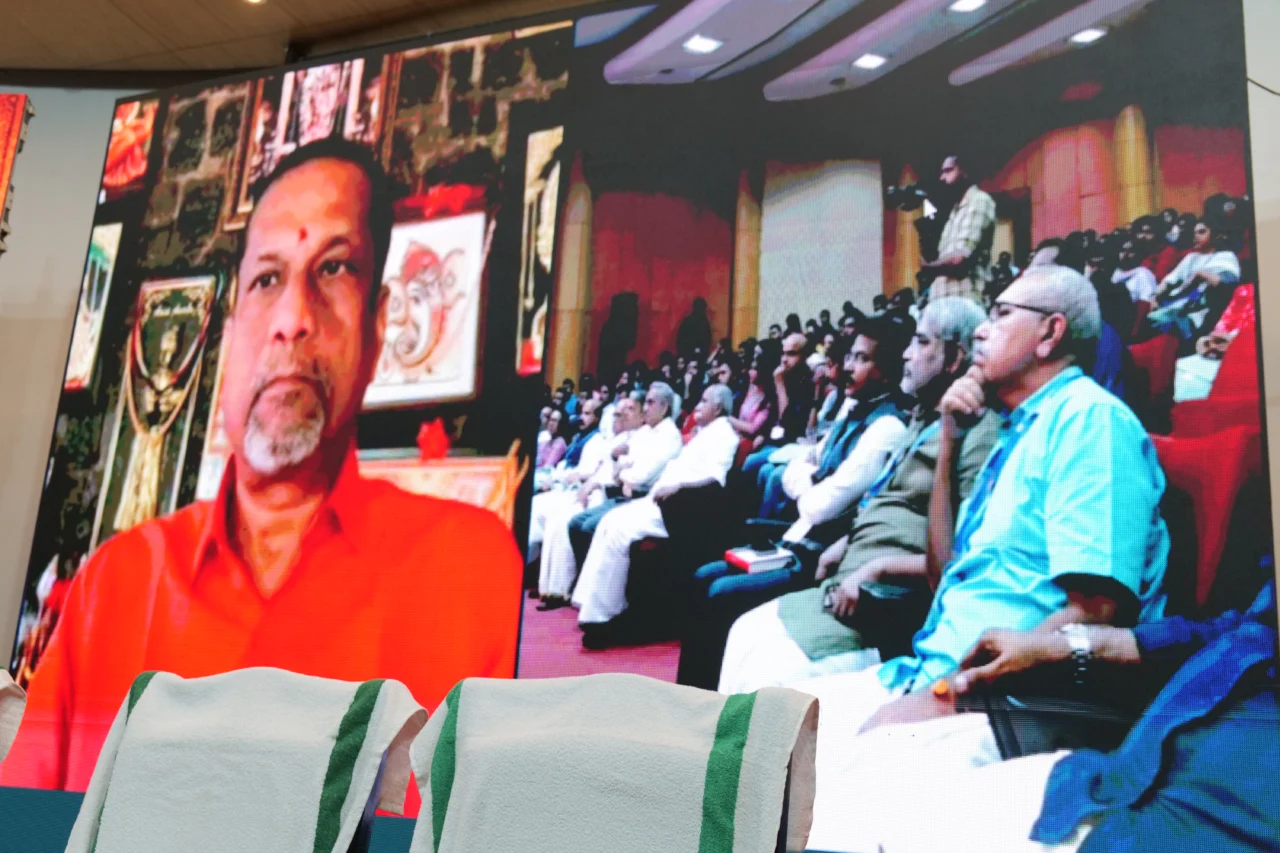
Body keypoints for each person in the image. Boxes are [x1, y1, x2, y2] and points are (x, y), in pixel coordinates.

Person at [1, 138, 524, 791]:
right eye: (267, 279)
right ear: (230, 332)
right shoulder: (114, 587)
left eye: (334, 268)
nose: (293, 319)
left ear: (377, 325)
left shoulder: (472, 578)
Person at [772, 266, 1170, 850]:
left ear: (1050, 333)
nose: (982, 329)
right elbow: (943, 579)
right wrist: (950, 438)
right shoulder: (1015, 431)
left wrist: (950, 694)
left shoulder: (1090, 421)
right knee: (770, 738)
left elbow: (1096, 612)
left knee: (825, 806)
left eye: (1001, 314)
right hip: (929, 671)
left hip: (1015, 700)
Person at [840, 579, 1279, 853]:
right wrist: (1068, 645)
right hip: (1112, 781)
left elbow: (1099, 605)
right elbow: (1240, 630)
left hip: (1198, 826)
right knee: (867, 807)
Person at [709, 298, 999, 693]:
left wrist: (878, 569)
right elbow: (885, 499)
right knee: (743, 632)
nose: (907, 355)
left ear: (954, 359)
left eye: (920, 342)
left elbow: (963, 557)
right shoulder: (923, 419)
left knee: (768, 672)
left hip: (885, 604)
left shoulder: (975, 431)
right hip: (846, 577)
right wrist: (846, 543)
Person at [572, 385, 740, 638]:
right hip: (661, 500)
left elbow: (716, 479)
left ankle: (604, 615)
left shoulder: (725, 434)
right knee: (609, 520)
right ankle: (588, 603)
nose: (697, 406)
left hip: (682, 508)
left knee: (619, 531)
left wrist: (678, 487)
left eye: (704, 401)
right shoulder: (706, 432)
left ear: (717, 408)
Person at [537, 383, 683, 605]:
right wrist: (622, 469)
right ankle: (564, 586)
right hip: (615, 488)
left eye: (650, 403)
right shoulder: (645, 432)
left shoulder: (670, 435)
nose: (646, 408)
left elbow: (640, 476)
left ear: (665, 407)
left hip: (636, 496)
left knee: (584, 525)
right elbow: (620, 463)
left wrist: (622, 471)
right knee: (571, 523)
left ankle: (580, 590)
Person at [535, 394, 644, 608]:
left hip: (607, 495)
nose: (620, 418)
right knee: (556, 520)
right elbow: (598, 470)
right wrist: (588, 485)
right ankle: (548, 588)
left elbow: (619, 477)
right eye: (617, 415)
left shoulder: (636, 440)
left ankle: (562, 590)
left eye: (626, 413)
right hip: (592, 490)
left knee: (565, 522)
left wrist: (593, 485)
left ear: (640, 415)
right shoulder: (614, 440)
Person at [1146, 219, 1241, 343]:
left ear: (1215, 235)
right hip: (1177, 304)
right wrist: (1154, 297)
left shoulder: (1226, 256)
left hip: (1204, 310)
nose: (1196, 236)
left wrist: (1201, 274)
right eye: (1194, 233)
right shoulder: (1191, 257)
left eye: (1201, 232)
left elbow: (1227, 284)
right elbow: (1169, 281)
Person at [920, 155, 997, 305]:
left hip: (965, 300)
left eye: (948, 171)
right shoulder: (955, 211)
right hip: (944, 302)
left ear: (965, 172)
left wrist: (928, 267)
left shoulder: (979, 201)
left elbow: (960, 260)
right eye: (942, 173)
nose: (942, 178)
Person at [1111, 237, 1158, 304]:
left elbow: (1148, 303)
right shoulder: (1117, 272)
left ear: (1139, 253)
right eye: (1123, 250)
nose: (1125, 254)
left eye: (1131, 251)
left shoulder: (1144, 274)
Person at [676, 297, 713, 361]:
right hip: (689, 355)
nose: (703, 310)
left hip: (699, 356)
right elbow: (681, 340)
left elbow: (707, 339)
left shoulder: (704, 322)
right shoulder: (690, 321)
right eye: (702, 308)